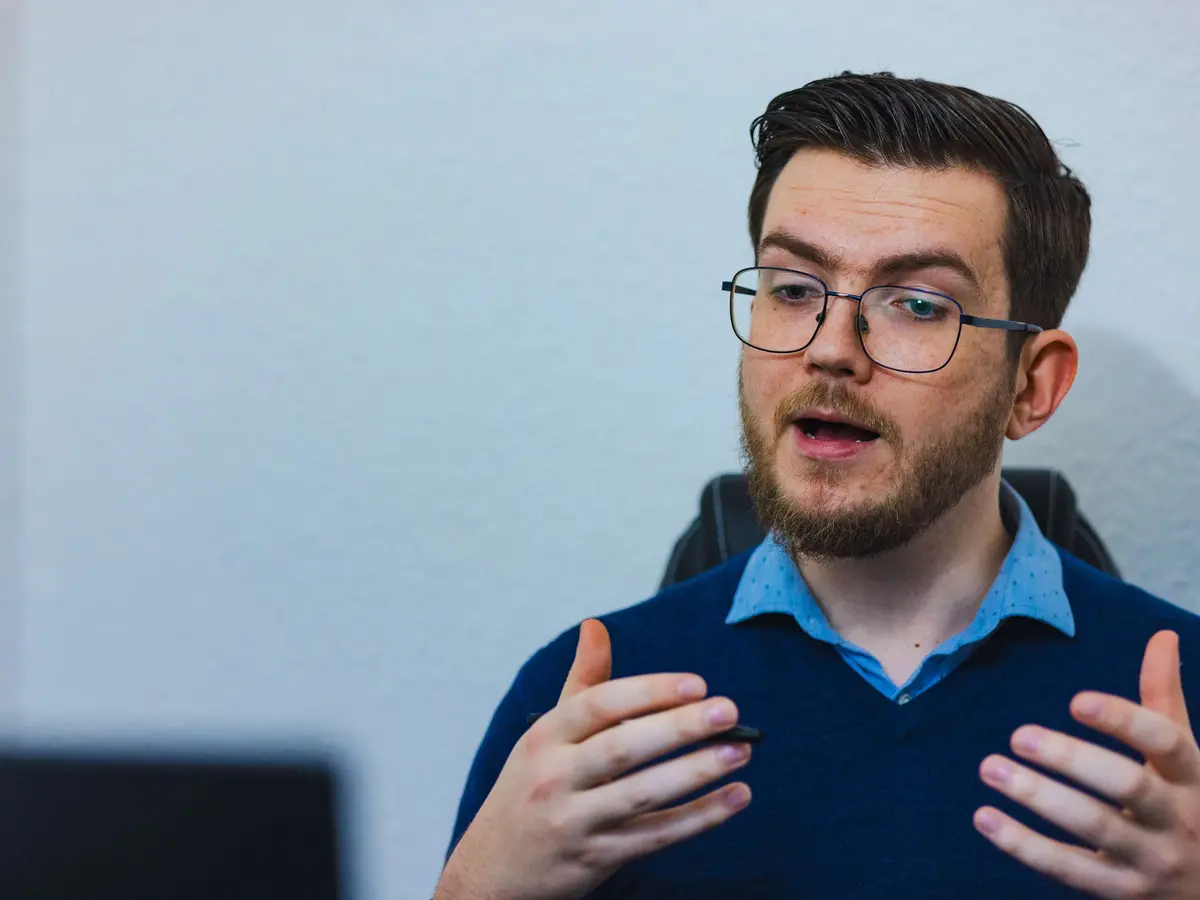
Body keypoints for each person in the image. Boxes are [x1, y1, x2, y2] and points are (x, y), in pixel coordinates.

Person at [432, 72, 1200, 900]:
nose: (832, 348)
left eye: (916, 303)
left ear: (1032, 387)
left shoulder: (1182, 718)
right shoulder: (582, 709)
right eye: (793, 289)